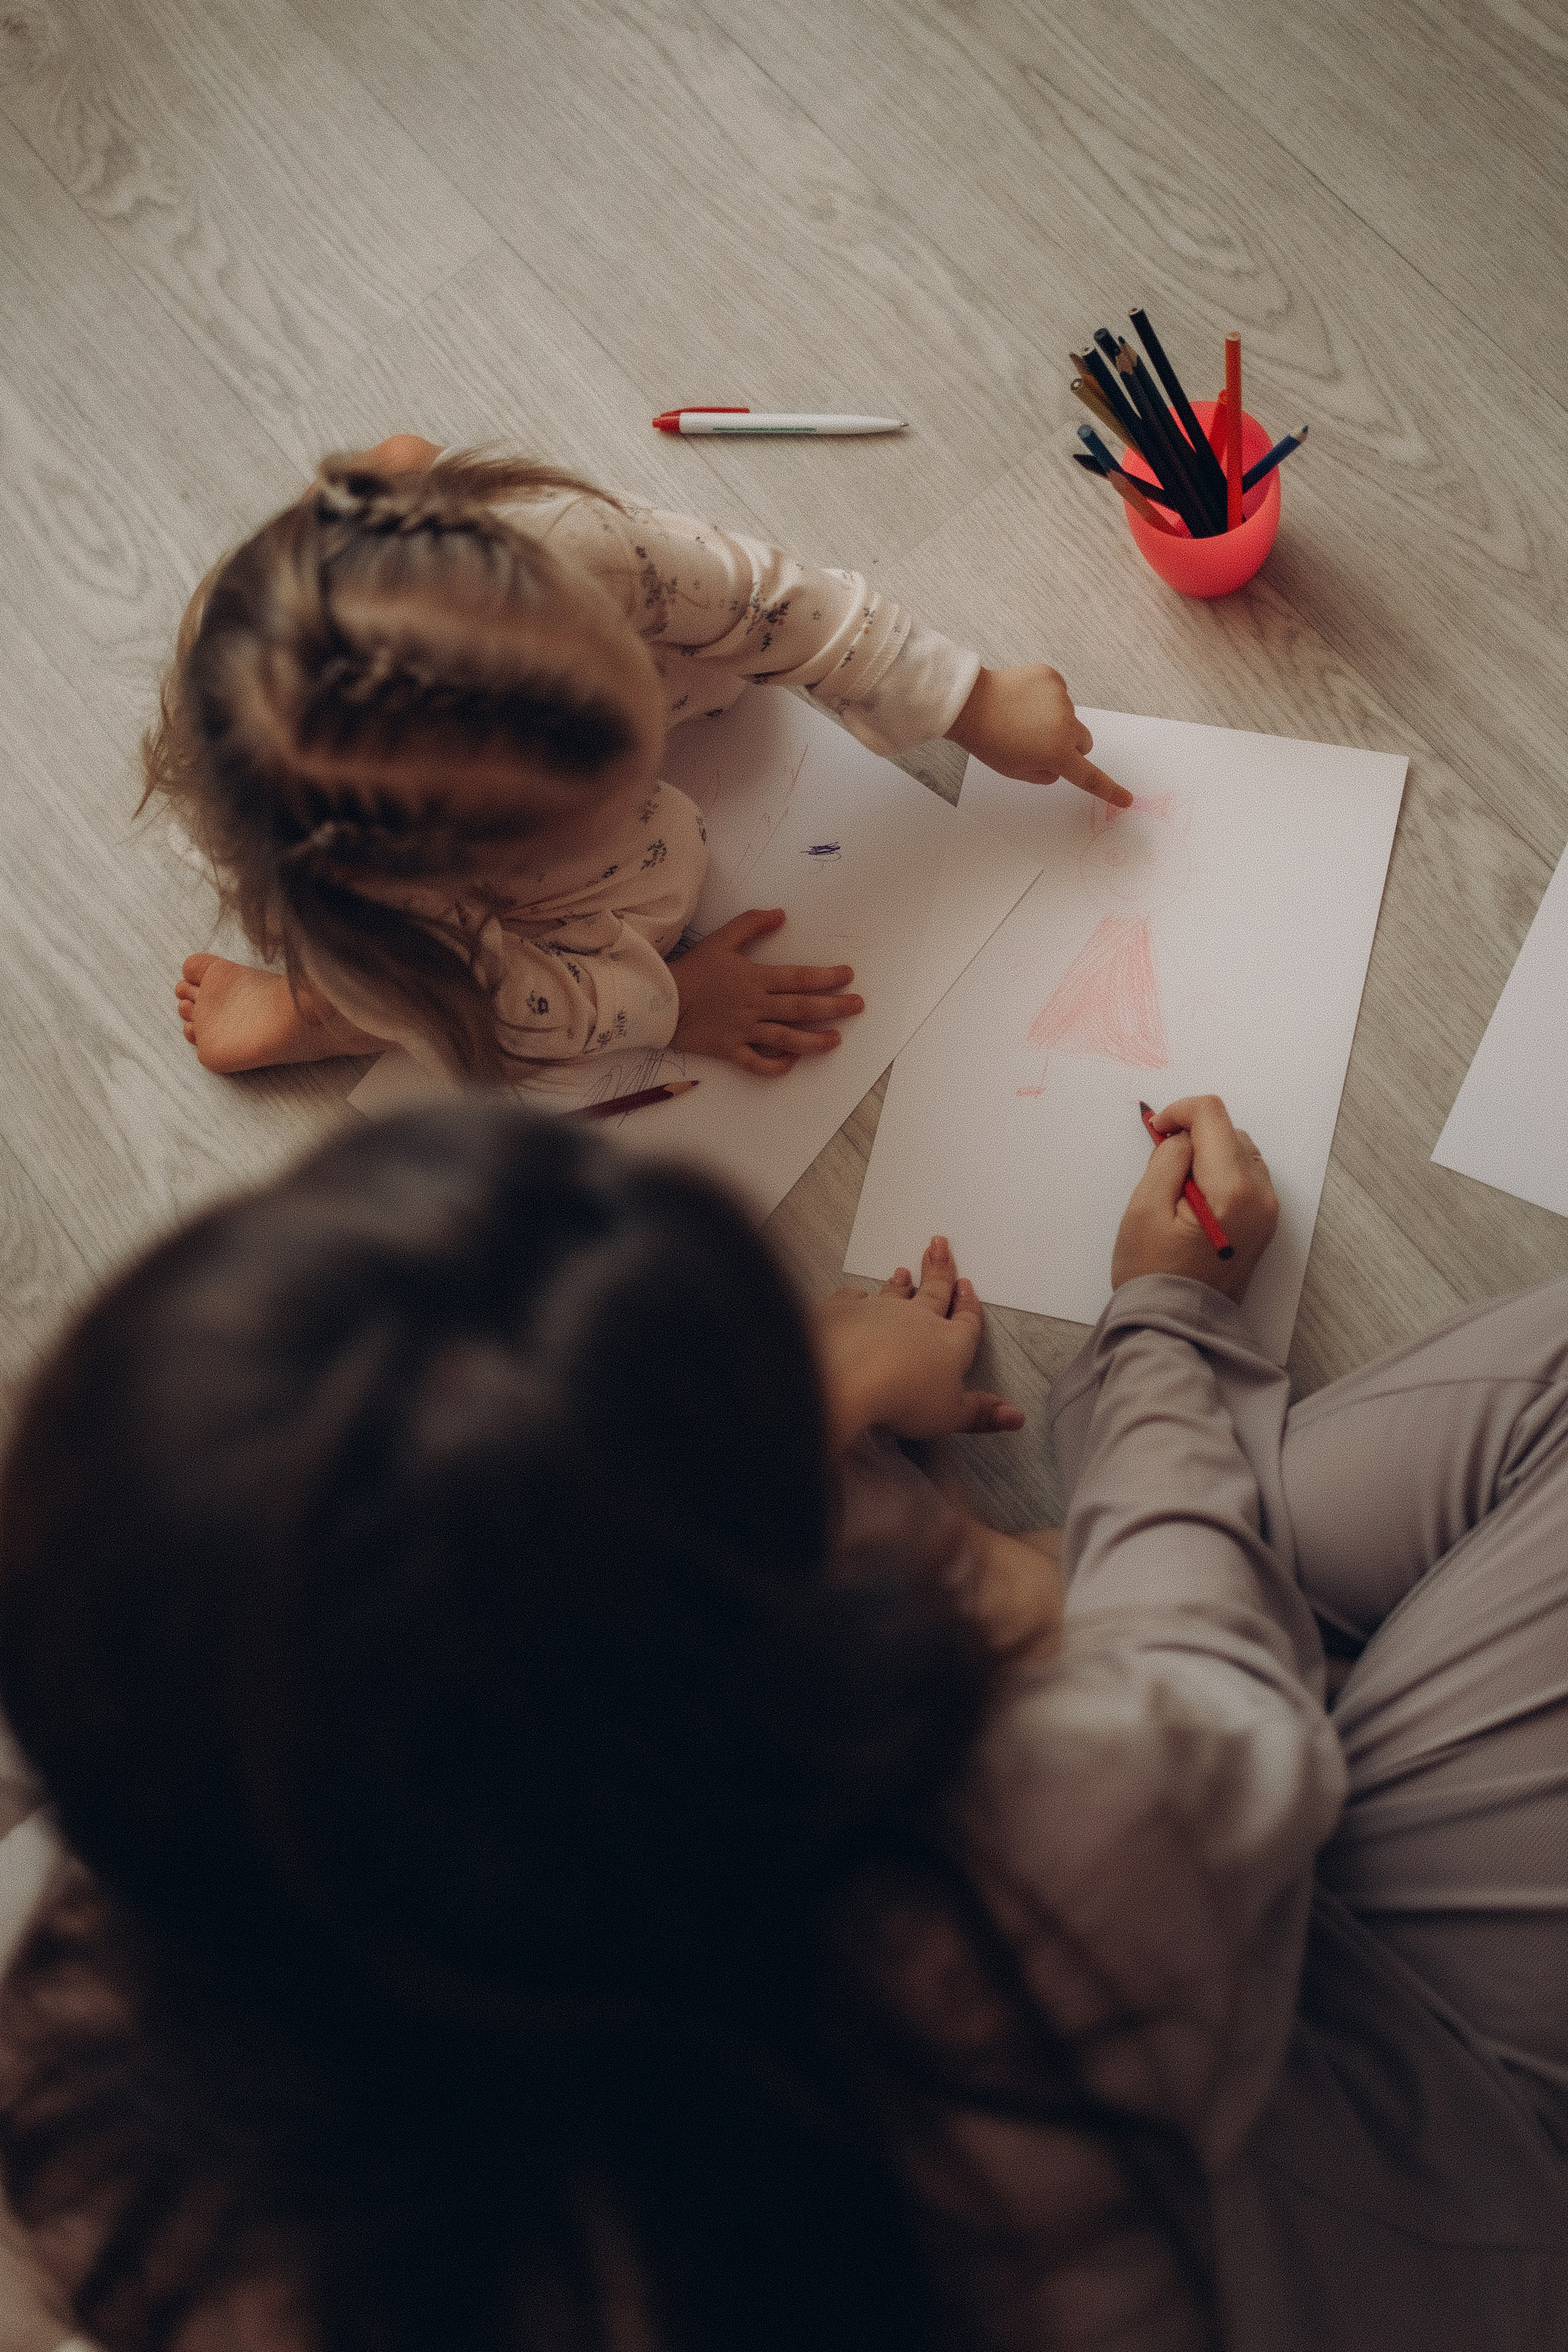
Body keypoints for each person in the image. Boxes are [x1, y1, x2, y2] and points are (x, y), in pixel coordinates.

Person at [2, 1099, 1566, 2352]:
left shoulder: (84, 2073)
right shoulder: (1024, 1886)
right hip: (1396, 2172)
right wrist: (1157, 1326)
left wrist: (688, 1459)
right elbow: (1211, 1692)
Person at [154, 435, 1127, 1084]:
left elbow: (758, 599)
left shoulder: (566, 543)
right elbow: (532, 1013)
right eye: (604, 795)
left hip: (381, 674)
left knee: (723, 646)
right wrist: (667, 1004)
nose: (650, 771)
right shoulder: (396, 908)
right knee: (640, 878)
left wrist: (965, 698)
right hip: (386, 916)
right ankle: (323, 1014)